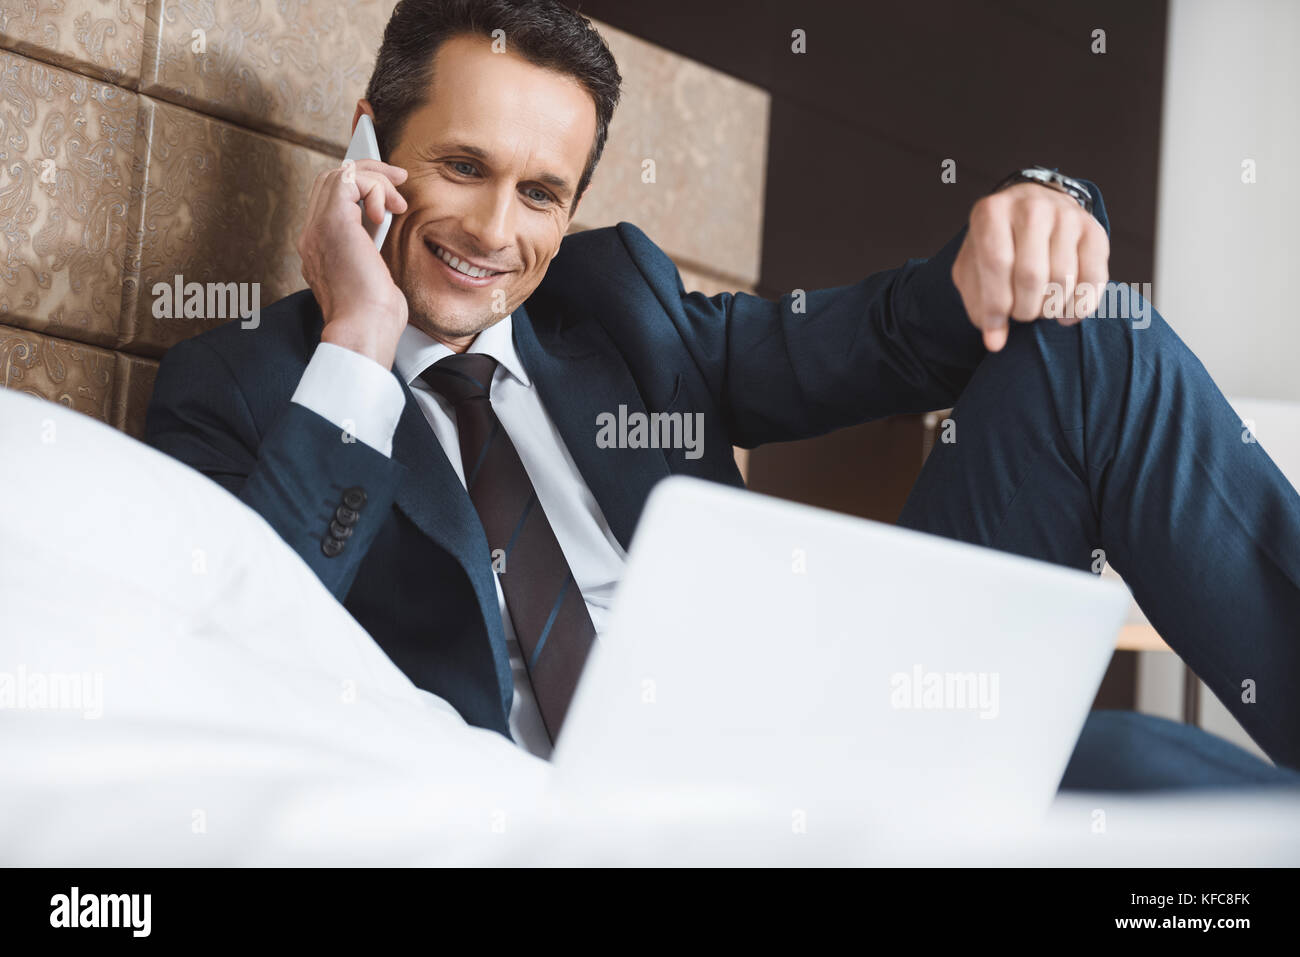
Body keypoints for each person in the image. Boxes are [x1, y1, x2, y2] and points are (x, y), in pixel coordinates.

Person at [145, 0, 1300, 787]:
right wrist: (358, 339)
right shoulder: (246, 389)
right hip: (576, 828)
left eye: (541, 192)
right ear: (369, 143)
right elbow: (246, 649)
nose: (496, 232)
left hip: (826, 762)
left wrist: (1042, 206)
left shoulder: (618, 312)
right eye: (462, 167)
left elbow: (897, 335)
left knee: (1099, 361)